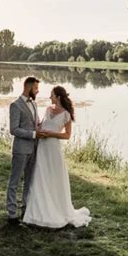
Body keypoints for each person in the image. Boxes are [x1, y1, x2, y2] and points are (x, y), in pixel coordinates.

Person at [22, 85, 91, 228]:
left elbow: (67, 135)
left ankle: (56, 208)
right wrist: (37, 129)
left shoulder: (66, 114)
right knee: (41, 175)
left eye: (52, 95)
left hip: (53, 149)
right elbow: (41, 126)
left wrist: (51, 134)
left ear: (58, 97)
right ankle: (38, 208)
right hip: (42, 147)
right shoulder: (48, 110)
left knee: (54, 177)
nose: (49, 97)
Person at [6, 76, 45, 224]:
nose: (38, 91)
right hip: (21, 149)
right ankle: (11, 213)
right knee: (14, 181)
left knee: (29, 181)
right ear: (28, 88)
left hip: (34, 149)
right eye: (35, 88)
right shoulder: (15, 105)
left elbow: (35, 123)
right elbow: (14, 129)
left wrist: (42, 127)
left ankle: (26, 209)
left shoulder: (34, 104)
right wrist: (34, 134)